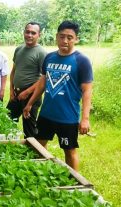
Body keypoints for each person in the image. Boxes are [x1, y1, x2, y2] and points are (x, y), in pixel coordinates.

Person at [23, 21, 93, 171]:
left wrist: (85, 119)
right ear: (56, 37)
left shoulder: (82, 61)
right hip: (46, 114)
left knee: (69, 151)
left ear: (76, 39)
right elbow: (43, 82)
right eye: (62, 37)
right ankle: (40, 173)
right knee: (38, 147)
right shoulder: (49, 58)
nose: (65, 41)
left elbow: (87, 90)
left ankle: (74, 183)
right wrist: (30, 103)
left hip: (68, 117)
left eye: (70, 37)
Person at [6, 22, 47, 138]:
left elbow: (44, 79)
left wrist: (27, 92)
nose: (29, 35)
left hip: (31, 96)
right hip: (16, 94)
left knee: (29, 131)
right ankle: (10, 147)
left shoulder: (41, 53)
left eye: (33, 33)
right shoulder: (19, 49)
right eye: (27, 32)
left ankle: (31, 154)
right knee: (7, 121)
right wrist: (11, 90)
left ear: (39, 35)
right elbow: (14, 71)